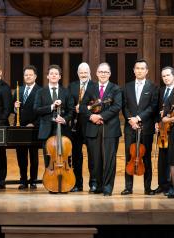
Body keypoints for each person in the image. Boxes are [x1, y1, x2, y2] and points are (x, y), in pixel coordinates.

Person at [80, 62, 122, 196]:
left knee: (109, 159)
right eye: (101, 72)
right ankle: (96, 185)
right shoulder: (90, 88)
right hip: (93, 128)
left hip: (110, 129)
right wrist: (91, 116)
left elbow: (116, 107)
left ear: (109, 74)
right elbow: (82, 106)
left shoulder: (115, 88)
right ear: (97, 73)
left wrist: (101, 116)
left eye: (106, 72)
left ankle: (108, 186)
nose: (103, 74)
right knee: (94, 159)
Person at [122, 59, 159, 196]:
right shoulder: (127, 87)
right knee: (129, 156)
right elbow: (124, 106)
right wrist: (131, 120)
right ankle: (128, 187)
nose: (139, 70)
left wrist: (138, 118)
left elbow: (153, 107)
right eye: (137, 68)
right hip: (130, 127)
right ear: (133, 70)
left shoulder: (153, 87)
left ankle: (147, 187)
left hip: (146, 127)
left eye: (142, 68)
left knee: (146, 157)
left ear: (147, 71)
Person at [33, 64, 74, 173]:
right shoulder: (40, 92)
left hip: (63, 130)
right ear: (47, 76)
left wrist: (64, 119)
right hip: (46, 130)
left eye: (56, 74)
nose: (54, 75)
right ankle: (50, 180)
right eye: (51, 74)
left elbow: (71, 111)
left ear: (60, 76)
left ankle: (66, 180)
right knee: (48, 158)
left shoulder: (66, 92)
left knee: (65, 156)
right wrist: (51, 106)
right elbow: (36, 109)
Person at [13, 65, 41, 190]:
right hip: (20, 128)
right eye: (26, 75)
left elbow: (41, 111)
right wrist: (15, 107)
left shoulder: (40, 91)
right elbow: (12, 110)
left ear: (35, 76)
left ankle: (33, 180)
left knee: (33, 155)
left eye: (30, 75)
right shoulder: (19, 89)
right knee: (21, 155)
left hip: (33, 127)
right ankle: (23, 179)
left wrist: (34, 124)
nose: (28, 77)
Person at [68, 62, 94, 192]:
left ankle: (93, 184)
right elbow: (69, 103)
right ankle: (77, 184)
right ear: (78, 73)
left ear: (89, 73)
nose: (83, 75)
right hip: (75, 127)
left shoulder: (94, 86)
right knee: (76, 156)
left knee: (92, 156)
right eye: (81, 72)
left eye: (86, 72)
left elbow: (97, 104)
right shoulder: (72, 86)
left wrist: (83, 109)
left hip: (90, 125)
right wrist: (74, 108)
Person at [154, 66, 174, 195]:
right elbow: (156, 109)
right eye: (164, 76)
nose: (166, 78)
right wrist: (156, 123)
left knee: (171, 158)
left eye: (168, 75)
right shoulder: (161, 91)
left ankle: (172, 186)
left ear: (173, 75)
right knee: (161, 158)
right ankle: (162, 185)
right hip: (162, 131)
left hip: (173, 130)